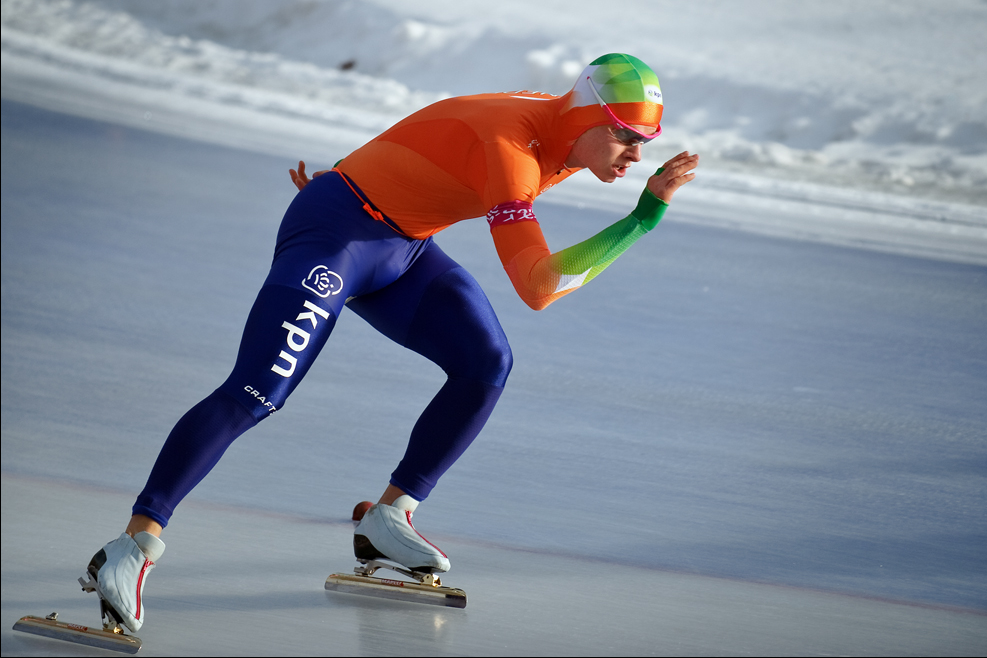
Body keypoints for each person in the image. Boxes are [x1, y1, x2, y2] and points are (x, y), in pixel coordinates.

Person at [82, 53, 699, 632]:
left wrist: (372, 169)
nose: (636, 156)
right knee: (257, 392)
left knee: (485, 363)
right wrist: (643, 217)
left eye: (645, 141)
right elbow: (539, 287)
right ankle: (134, 543)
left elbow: (444, 124)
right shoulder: (514, 151)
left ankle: (389, 517)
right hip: (337, 237)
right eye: (625, 136)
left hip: (403, 244)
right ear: (588, 117)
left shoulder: (561, 124)